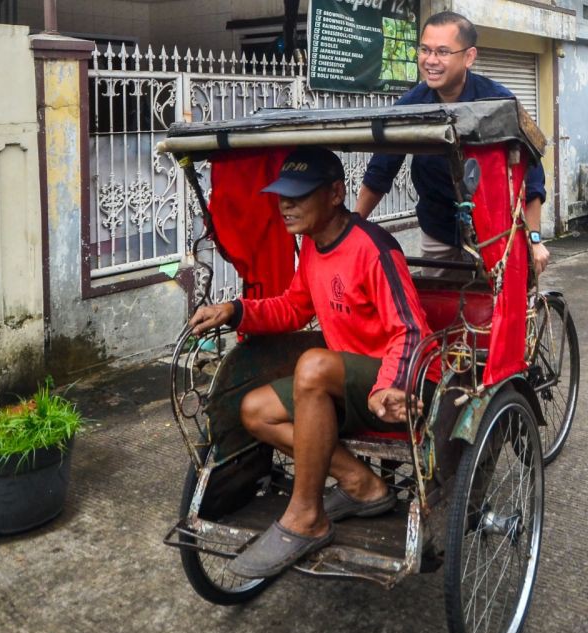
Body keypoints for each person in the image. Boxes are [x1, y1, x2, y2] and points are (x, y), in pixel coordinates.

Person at [188, 147, 439, 578]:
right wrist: (236, 309)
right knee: (254, 411)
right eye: (282, 195)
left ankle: (307, 515)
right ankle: (363, 483)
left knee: (312, 364)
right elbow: (293, 307)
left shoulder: (372, 249)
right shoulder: (312, 245)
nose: (285, 205)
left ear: (336, 193)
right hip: (344, 385)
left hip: (399, 385)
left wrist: (390, 385)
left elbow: (411, 330)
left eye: (299, 195)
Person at [355, 11, 550, 276]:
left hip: (496, 229)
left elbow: (533, 176)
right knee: (439, 306)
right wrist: (353, 229)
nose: (431, 60)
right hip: (438, 229)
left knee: (497, 307)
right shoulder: (410, 106)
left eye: (443, 52)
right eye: (425, 50)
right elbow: (380, 172)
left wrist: (535, 239)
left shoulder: (498, 103)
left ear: (468, 57)